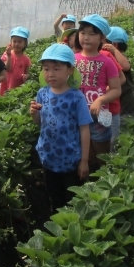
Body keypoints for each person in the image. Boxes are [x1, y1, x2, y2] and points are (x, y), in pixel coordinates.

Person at [30, 43, 92, 212]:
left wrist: (84, 161)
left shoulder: (76, 98)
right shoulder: (42, 93)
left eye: (56, 69)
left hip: (70, 160)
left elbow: (84, 129)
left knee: (71, 200)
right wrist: (34, 113)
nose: (51, 74)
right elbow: (39, 123)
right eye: (46, 69)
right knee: (54, 196)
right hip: (48, 158)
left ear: (70, 70)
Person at [74, 14, 121, 171]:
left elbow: (116, 89)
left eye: (92, 34)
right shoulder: (72, 60)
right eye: (83, 32)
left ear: (102, 38)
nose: (86, 38)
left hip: (100, 115)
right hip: (77, 115)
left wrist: (101, 100)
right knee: (84, 154)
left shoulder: (107, 61)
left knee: (102, 154)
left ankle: (103, 182)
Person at [103, 26, 134, 149]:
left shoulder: (119, 57)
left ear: (114, 44)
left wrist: (113, 51)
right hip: (114, 106)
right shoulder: (106, 58)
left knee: (122, 138)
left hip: (125, 105)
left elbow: (126, 66)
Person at [0, 27, 31, 96]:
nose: (16, 44)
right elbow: (8, 69)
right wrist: (9, 56)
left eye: (20, 42)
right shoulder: (6, 54)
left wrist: (26, 76)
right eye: (14, 41)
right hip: (6, 85)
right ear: (11, 42)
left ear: (25, 44)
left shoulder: (26, 59)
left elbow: (27, 73)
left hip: (18, 87)